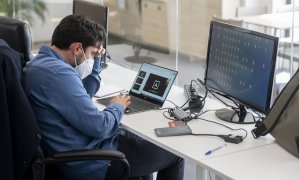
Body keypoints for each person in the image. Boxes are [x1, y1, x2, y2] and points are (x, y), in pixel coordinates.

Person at [23, 15, 184, 180]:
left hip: (73, 149)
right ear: (77, 48)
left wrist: (97, 62)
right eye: (92, 54)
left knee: (141, 148)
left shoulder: (39, 65)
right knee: (175, 153)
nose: (92, 58)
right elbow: (101, 127)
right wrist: (118, 106)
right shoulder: (59, 74)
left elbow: (84, 94)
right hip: (89, 161)